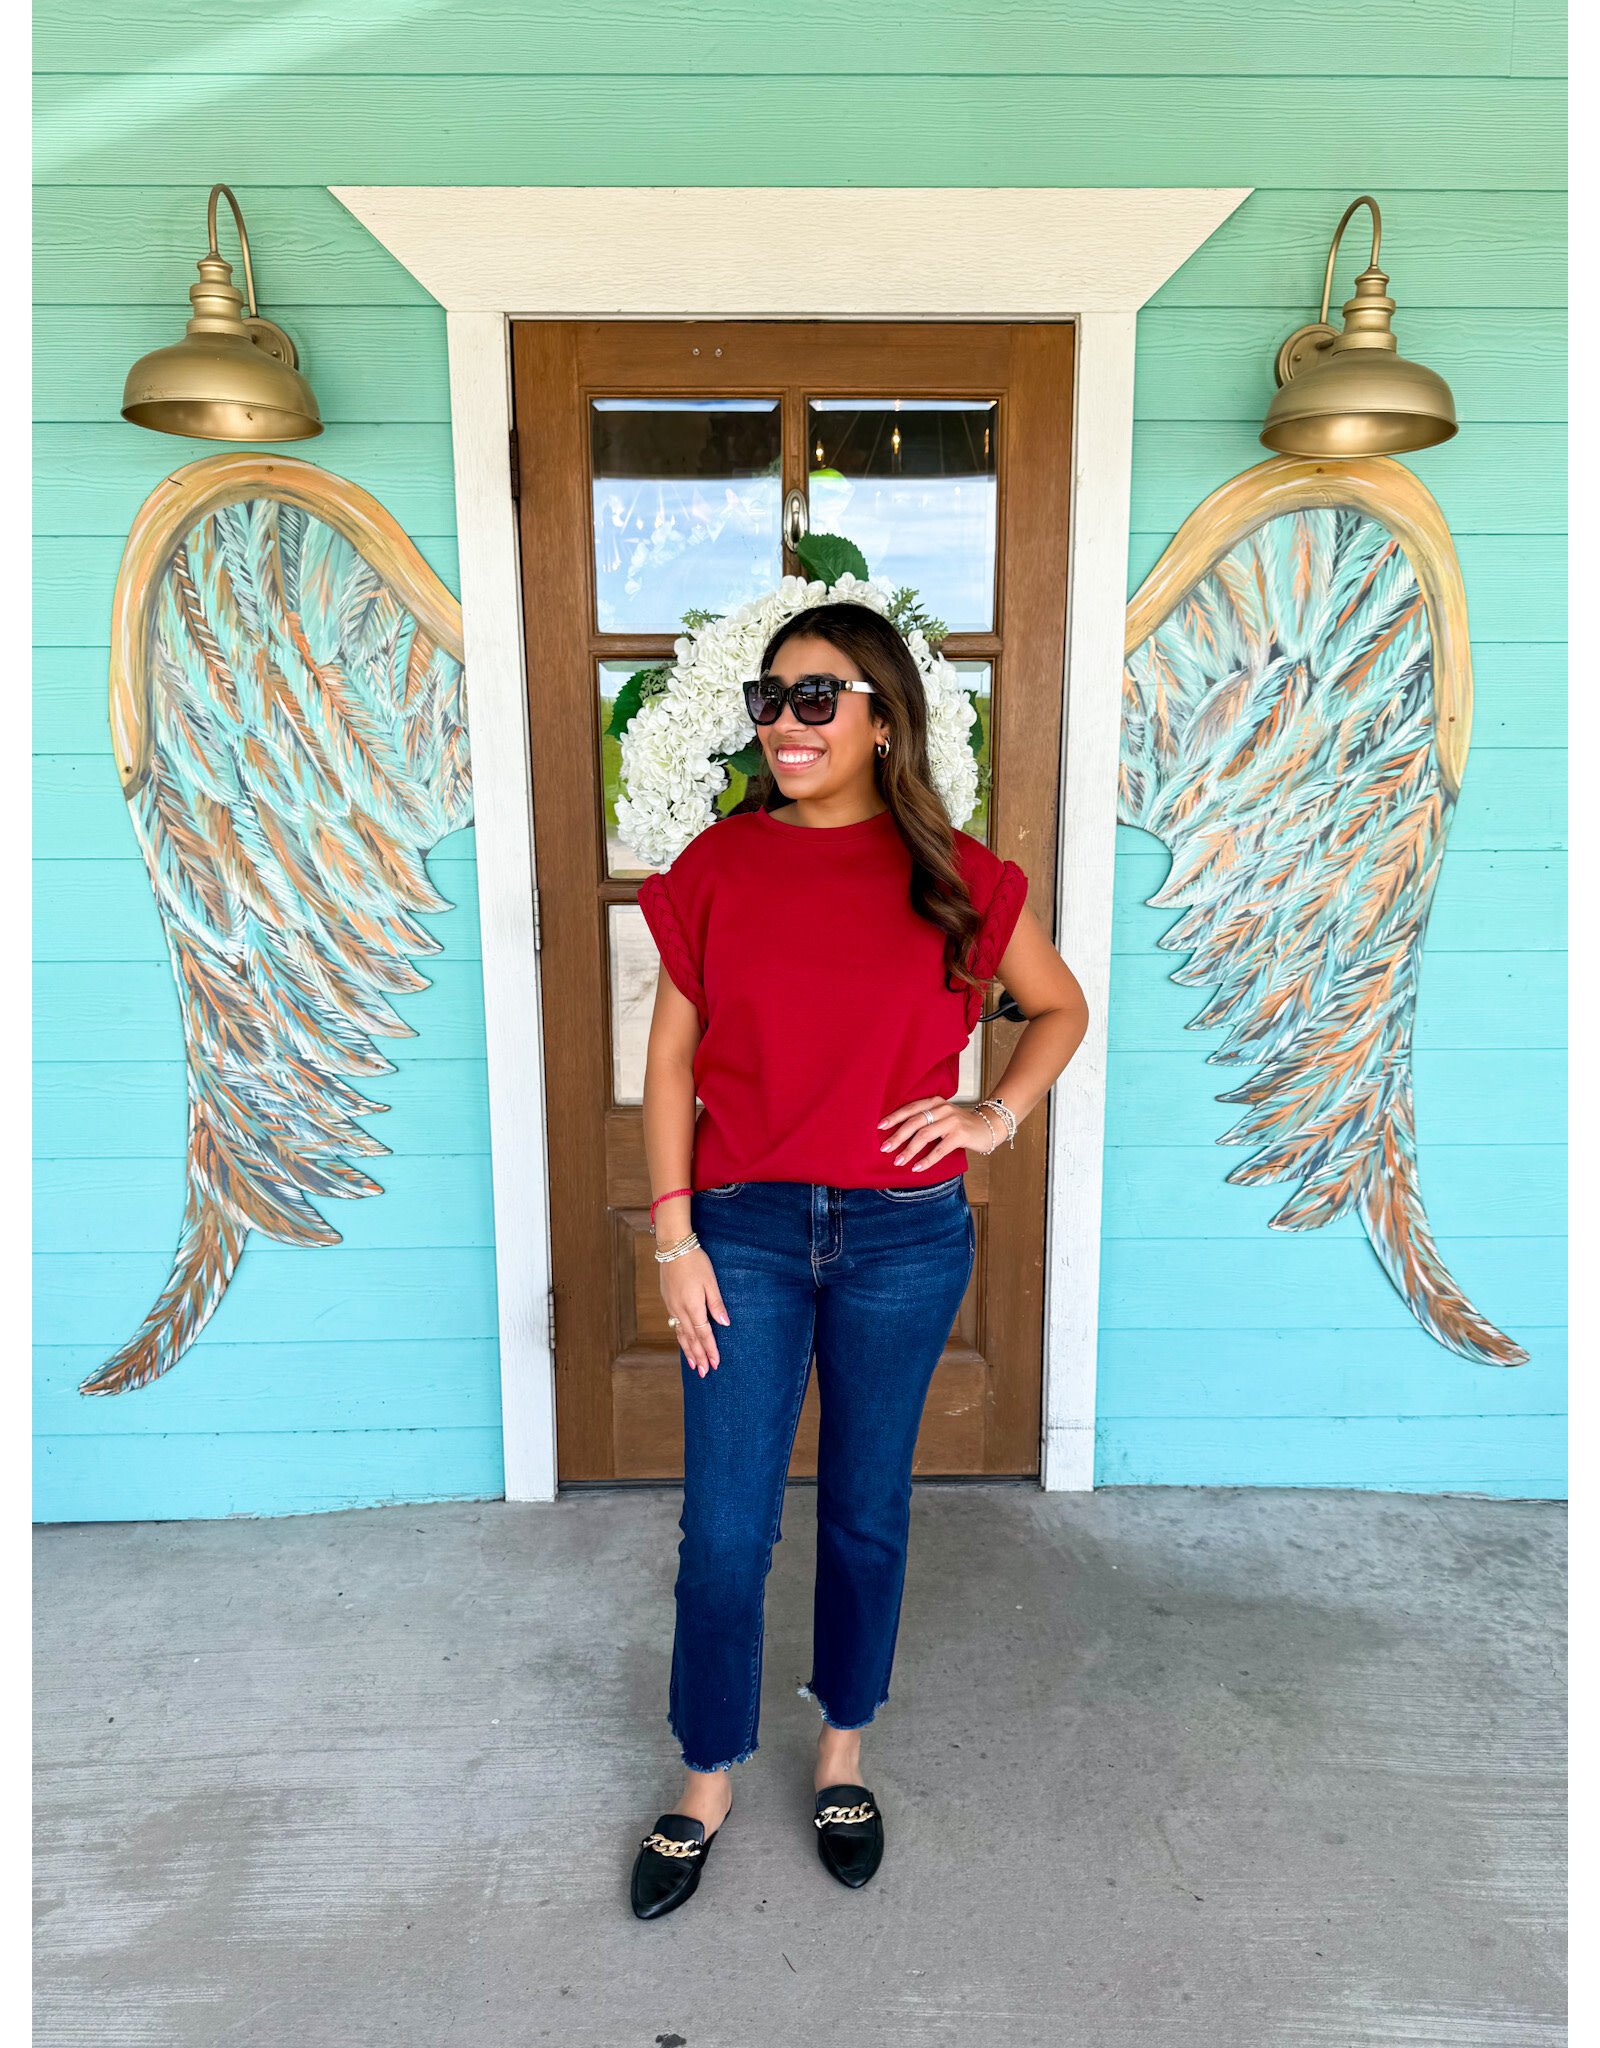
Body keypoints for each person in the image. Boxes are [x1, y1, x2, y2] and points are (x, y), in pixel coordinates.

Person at [628, 600, 1088, 1919]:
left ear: (885, 715)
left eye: (816, 698)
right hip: (746, 1233)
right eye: (769, 702)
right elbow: (667, 1063)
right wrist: (674, 1236)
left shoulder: (958, 878)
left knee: (865, 1509)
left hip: (903, 1236)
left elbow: (1058, 1007)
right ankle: (706, 1771)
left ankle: (841, 1752)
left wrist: (993, 1110)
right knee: (725, 1525)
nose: (785, 724)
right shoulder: (720, 865)